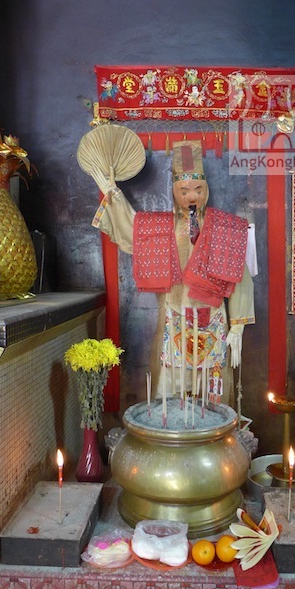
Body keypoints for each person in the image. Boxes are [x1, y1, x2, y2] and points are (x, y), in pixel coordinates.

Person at [92, 139, 255, 404]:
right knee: (170, 384)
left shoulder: (224, 227)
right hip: (174, 313)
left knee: (211, 385)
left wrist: (238, 326)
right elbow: (134, 229)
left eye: (198, 189)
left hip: (213, 315)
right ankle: (171, 426)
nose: (192, 196)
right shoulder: (163, 226)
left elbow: (240, 276)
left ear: (207, 190)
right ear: (174, 191)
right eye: (184, 189)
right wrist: (113, 194)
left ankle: (212, 426)